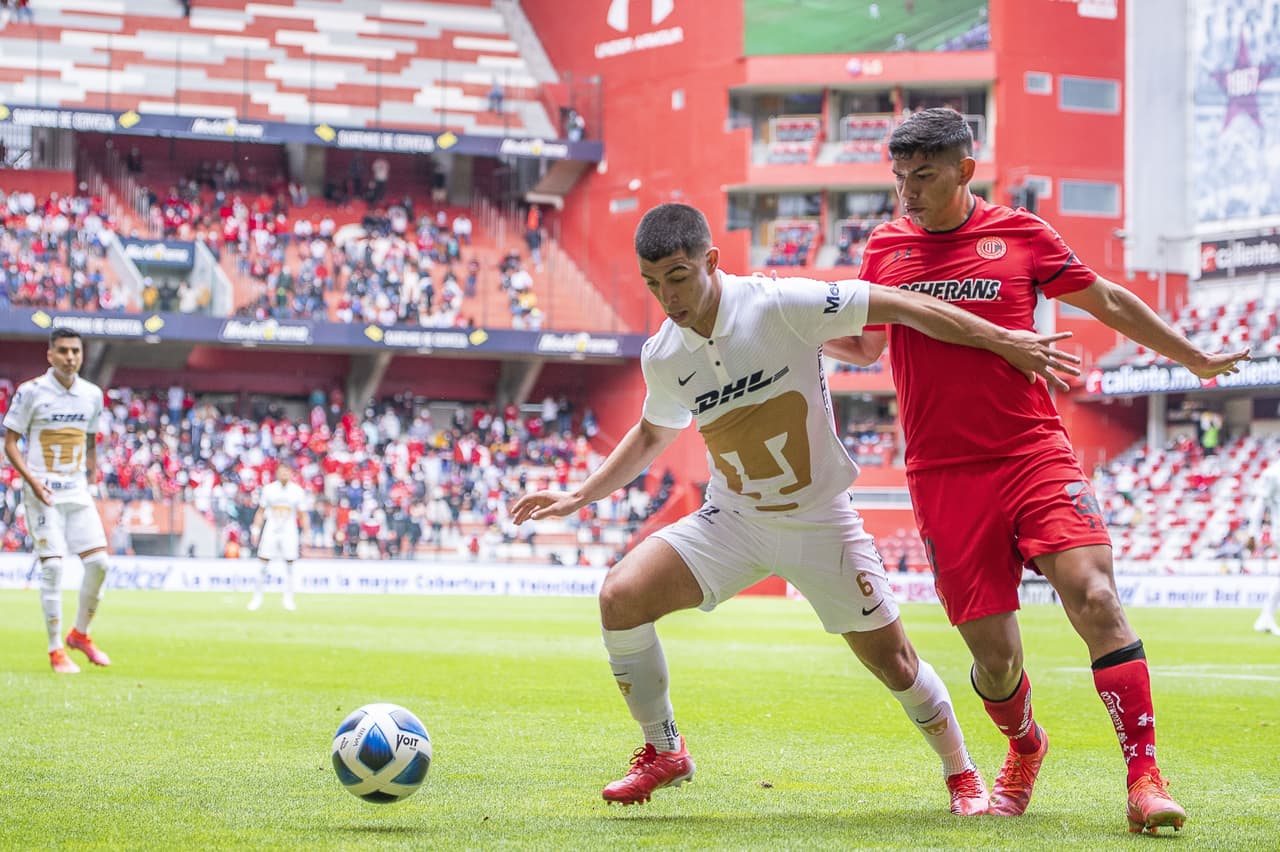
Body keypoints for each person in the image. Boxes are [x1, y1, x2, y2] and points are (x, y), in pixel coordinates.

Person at [511, 202, 1083, 813]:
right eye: (654, 283)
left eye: (678, 277)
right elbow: (653, 433)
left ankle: (961, 772)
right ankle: (664, 749)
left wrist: (1004, 340)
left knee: (894, 662)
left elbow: (904, 306)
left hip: (821, 521)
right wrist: (578, 495)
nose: (667, 296)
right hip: (733, 519)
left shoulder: (780, 303)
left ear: (711, 261)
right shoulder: (664, 354)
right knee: (619, 597)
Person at [828, 108, 1251, 835]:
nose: (907, 194)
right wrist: (772, 321)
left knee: (1096, 598)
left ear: (965, 170)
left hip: (1033, 454)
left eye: (923, 177)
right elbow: (864, 347)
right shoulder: (886, 247)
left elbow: (1108, 299)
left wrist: (1189, 355)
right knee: (995, 663)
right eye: (899, 178)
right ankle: (1025, 746)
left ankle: (1145, 777)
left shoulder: (1021, 234)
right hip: (943, 474)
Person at [2, 327, 114, 674]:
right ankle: (55, 651)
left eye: (76, 351)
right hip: (42, 492)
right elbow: (9, 443)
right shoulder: (31, 392)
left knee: (99, 565)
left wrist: (92, 477)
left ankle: (80, 634)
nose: (70, 357)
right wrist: (32, 481)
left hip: (77, 491)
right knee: (52, 566)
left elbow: (91, 440)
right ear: (50, 355)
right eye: (63, 351)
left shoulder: (92, 394)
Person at [248, 462, 308, 611]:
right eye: (282, 472)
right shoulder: (269, 490)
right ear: (277, 473)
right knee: (262, 564)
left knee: (290, 565)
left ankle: (288, 599)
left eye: (287, 472)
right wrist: (256, 530)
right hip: (271, 530)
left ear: (291, 473)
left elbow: (302, 514)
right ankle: (257, 598)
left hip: (289, 531)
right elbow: (261, 511)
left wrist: (307, 533)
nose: (284, 475)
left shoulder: (297, 491)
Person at [1246, 459, 1280, 636]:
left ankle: (1266, 617)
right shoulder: (1273, 473)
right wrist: (1252, 533)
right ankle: (1266, 617)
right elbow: (1260, 504)